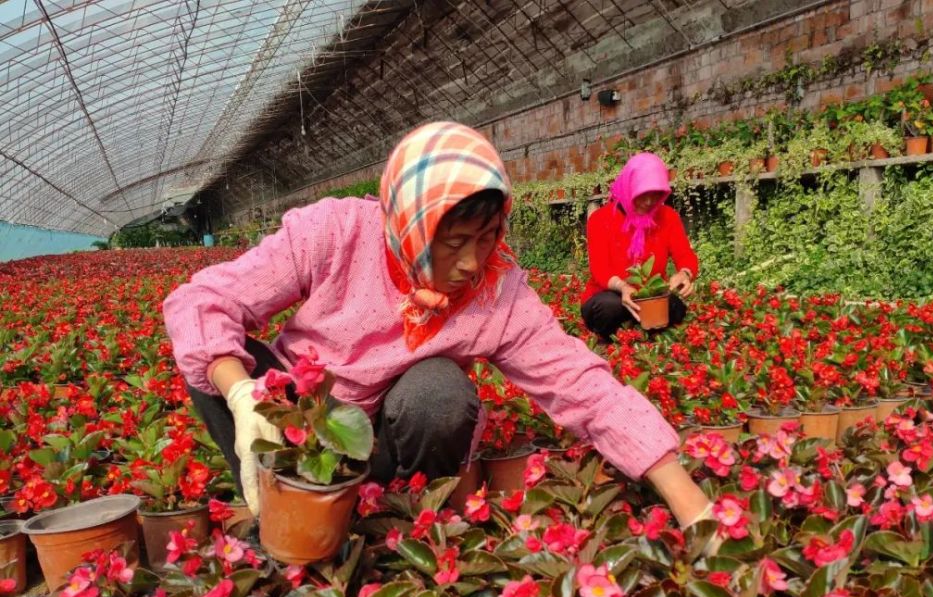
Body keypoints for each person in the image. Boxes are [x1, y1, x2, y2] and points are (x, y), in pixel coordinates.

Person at [163, 121, 716, 538]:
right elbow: (204, 300)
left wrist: (691, 506)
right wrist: (242, 396)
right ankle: (285, 505)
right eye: (452, 242)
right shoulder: (335, 231)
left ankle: (400, 517)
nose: (474, 263)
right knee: (212, 361)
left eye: (487, 237)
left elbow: (585, 387)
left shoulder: (499, 291)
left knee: (440, 391)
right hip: (297, 423)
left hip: (383, 445)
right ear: (410, 221)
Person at [582, 152, 699, 342]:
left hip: (649, 297)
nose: (649, 202)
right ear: (629, 188)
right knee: (608, 307)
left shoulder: (668, 216)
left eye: (656, 195)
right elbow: (600, 270)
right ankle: (636, 328)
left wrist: (684, 274)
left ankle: (639, 326)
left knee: (675, 306)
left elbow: (685, 254)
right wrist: (624, 287)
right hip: (611, 295)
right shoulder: (600, 219)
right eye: (643, 194)